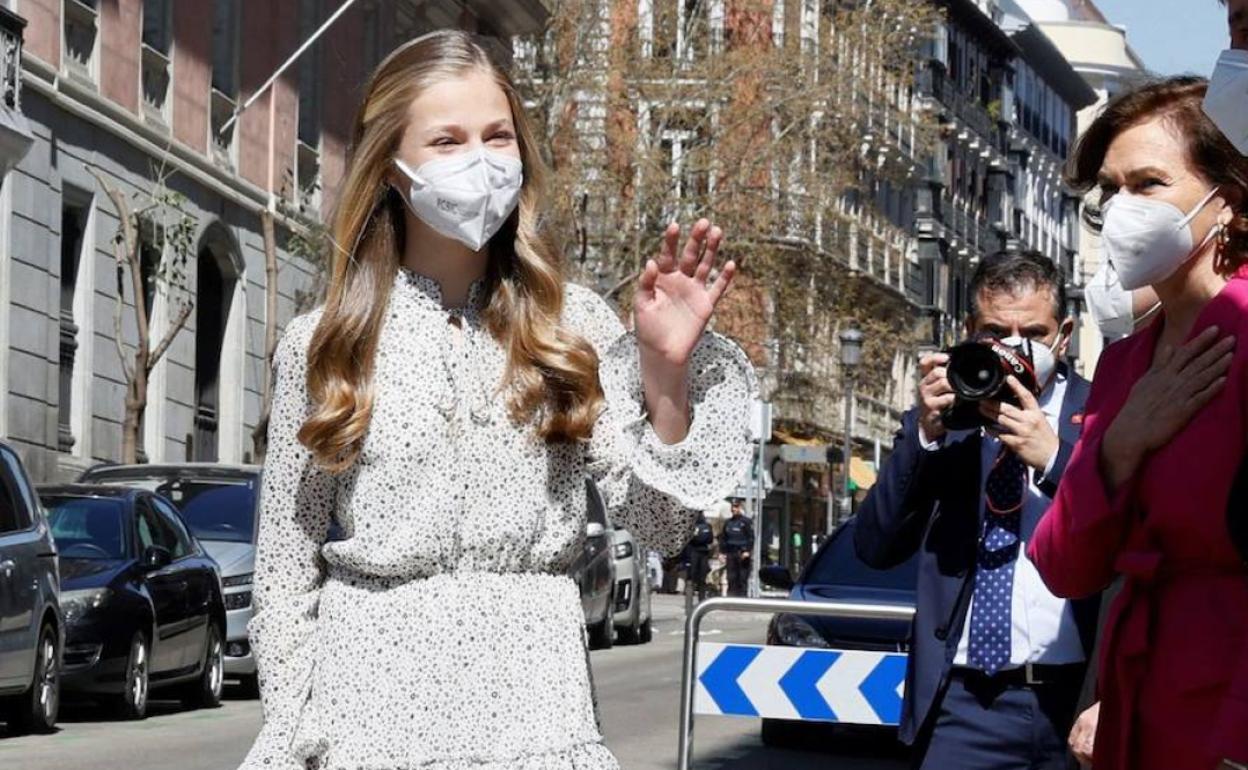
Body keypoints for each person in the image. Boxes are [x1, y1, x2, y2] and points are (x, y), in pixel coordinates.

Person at [238, 31, 756, 770]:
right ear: (389, 164)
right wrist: (298, 734)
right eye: (446, 141)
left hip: (537, 722)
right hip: (369, 729)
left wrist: (666, 376)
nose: (479, 159)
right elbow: (284, 582)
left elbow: (664, 526)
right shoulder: (325, 343)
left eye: (497, 136)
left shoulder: (571, 326)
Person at [1028, 76, 1248, 770]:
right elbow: (1065, 564)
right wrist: (1118, 448)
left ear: (1228, 200)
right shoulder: (1125, 364)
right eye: (1111, 189)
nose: (1123, 210)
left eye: (1149, 183)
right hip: (1138, 702)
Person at [854, 250, 1101, 770]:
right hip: (964, 707)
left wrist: (1056, 459)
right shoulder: (947, 424)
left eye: (1033, 332)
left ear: (1065, 333)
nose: (1015, 348)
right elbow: (875, 546)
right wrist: (925, 432)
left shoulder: (1101, 414)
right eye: (995, 331)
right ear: (969, 330)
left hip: (1076, 703)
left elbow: (1125, 538)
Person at [720, 499, 754, 596]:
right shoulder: (728, 523)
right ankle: (731, 599)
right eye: (733, 507)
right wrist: (722, 553)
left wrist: (747, 551)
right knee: (731, 578)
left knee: (742, 578)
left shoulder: (746, 522)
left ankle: (742, 600)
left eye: (736, 507)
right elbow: (723, 538)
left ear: (740, 508)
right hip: (731, 553)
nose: (734, 509)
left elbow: (751, 538)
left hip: (742, 554)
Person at [687, 511, 714, 603]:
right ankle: (691, 599)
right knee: (694, 576)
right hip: (696, 551)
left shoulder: (705, 526)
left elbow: (710, 539)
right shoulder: (692, 526)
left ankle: (700, 599)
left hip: (701, 552)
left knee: (700, 577)